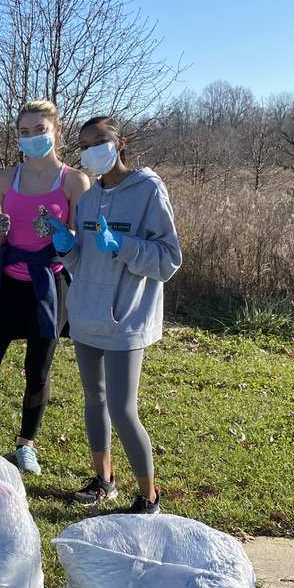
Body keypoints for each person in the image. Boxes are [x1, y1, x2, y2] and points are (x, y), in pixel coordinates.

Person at [52, 115, 181, 513]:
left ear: (119, 142)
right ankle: (104, 482)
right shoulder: (88, 198)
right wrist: (63, 246)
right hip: (86, 314)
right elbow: (82, 261)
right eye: (85, 144)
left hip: (125, 320)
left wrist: (122, 244)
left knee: (123, 409)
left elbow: (168, 259)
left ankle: (148, 496)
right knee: (94, 400)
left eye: (100, 141)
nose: (92, 150)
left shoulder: (147, 192)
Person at [0, 99, 89, 474]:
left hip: (49, 286)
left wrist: (63, 236)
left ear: (56, 132)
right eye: (24, 132)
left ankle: (25, 446)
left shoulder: (74, 181)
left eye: (40, 130)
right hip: (8, 281)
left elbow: (81, 242)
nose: (32, 137)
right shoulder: (4, 179)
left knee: (38, 370)